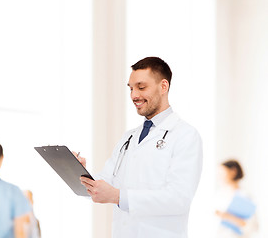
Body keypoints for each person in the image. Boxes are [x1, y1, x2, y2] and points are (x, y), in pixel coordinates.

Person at [79, 57, 203, 238]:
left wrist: (118, 197)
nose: (134, 95)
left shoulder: (185, 135)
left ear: (163, 86)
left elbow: (179, 199)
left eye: (141, 87)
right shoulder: (129, 137)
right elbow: (106, 181)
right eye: (130, 88)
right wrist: (79, 173)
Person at [215, 159, 258, 238]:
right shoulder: (218, 194)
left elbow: (253, 226)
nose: (219, 176)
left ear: (233, 171)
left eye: (221, 173)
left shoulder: (244, 196)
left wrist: (228, 216)